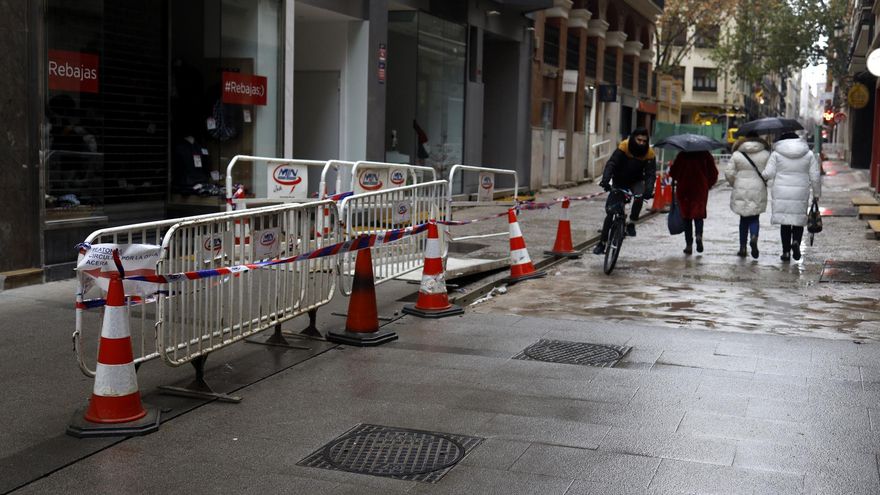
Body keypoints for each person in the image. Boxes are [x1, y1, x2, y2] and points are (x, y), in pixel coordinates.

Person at [592, 127, 656, 255]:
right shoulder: (624, 146)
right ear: (633, 138)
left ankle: (632, 223)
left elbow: (650, 174)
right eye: (639, 140)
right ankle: (602, 243)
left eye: (644, 141)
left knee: (639, 197)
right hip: (619, 180)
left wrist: (649, 190)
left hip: (636, 181)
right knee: (611, 213)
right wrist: (606, 179)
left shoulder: (650, 153)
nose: (641, 143)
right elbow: (612, 163)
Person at [761, 132, 821, 262]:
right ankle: (796, 242)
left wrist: (761, 173)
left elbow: (768, 174)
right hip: (800, 192)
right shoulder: (809, 154)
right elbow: (815, 177)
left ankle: (786, 252)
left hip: (782, 191)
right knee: (798, 221)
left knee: (785, 222)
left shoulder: (776, 154)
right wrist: (816, 194)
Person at [724, 132, 770, 258]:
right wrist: (766, 182)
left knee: (743, 219)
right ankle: (754, 236)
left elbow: (728, 172)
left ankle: (742, 248)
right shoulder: (766, 154)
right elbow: (770, 172)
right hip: (758, 187)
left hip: (741, 187)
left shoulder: (738, 154)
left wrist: (735, 182)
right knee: (754, 217)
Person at [668, 150, 718, 255]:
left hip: (684, 189)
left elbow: (673, 173)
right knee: (698, 215)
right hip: (700, 189)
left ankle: (689, 245)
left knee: (686, 218)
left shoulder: (682, 155)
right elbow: (714, 173)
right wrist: (707, 184)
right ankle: (699, 235)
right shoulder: (705, 154)